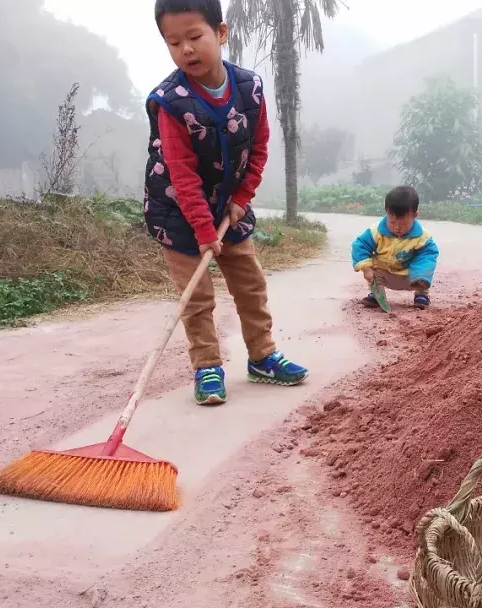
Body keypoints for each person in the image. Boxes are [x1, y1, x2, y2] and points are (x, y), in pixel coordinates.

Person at [144, 0, 307, 406]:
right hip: (179, 213)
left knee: (250, 285)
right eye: (173, 42)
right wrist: (202, 230)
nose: (186, 49)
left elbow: (260, 146)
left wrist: (241, 198)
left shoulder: (249, 89)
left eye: (194, 37)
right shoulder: (170, 102)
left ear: (220, 33)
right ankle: (207, 367)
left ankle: (263, 357)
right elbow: (180, 174)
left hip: (229, 205)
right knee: (196, 298)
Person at [351, 186, 439, 310]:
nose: (397, 227)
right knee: (374, 270)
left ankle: (421, 294)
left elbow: (428, 255)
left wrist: (421, 274)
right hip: (385, 272)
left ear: (415, 215)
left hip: (410, 276)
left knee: (424, 274)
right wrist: (366, 268)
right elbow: (360, 245)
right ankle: (377, 295)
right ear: (386, 212)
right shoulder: (376, 231)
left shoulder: (422, 237)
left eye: (403, 224)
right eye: (392, 222)